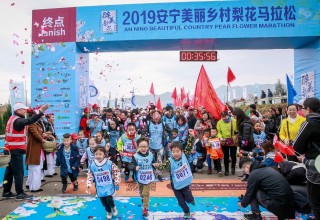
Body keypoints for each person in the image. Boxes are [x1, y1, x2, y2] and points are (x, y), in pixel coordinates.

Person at [2, 103, 49, 200]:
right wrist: (40, 112)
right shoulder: (18, 121)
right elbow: (29, 120)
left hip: (9, 149)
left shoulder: (11, 119)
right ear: (18, 110)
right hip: (15, 151)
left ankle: (6, 191)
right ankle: (20, 193)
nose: (25, 111)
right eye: (23, 109)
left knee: (9, 172)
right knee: (18, 173)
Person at [293, 97, 320, 219]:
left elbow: (297, 146)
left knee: (315, 199)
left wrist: (303, 158)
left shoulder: (308, 123)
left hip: (316, 166)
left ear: (308, 109)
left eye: (302, 108)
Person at [159, 142, 195, 219]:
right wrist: (158, 166)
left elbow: (189, 146)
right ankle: (186, 211)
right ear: (171, 152)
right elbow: (163, 167)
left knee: (189, 198)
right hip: (176, 185)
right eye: (173, 152)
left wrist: (191, 137)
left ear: (181, 152)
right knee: (181, 202)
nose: (175, 154)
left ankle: (191, 199)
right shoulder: (169, 161)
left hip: (185, 183)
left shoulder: (184, 155)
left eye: (177, 151)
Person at [87, 146, 120, 220]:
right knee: (103, 201)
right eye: (96, 154)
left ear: (104, 154)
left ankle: (113, 207)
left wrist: (117, 180)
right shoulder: (92, 165)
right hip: (100, 187)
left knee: (108, 198)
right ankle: (108, 211)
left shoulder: (109, 163)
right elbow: (90, 174)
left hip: (109, 185)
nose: (98, 156)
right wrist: (89, 183)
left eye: (100, 154)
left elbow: (116, 171)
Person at [128, 137, 158, 217]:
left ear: (148, 147)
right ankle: (143, 200)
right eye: (141, 147)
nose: (143, 148)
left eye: (145, 146)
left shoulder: (151, 155)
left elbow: (154, 163)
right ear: (138, 147)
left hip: (148, 178)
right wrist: (135, 167)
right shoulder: (135, 156)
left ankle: (145, 208)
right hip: (140, 178)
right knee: (141, 193)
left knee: (146, 193)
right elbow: (130, 165)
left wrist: (155, 165)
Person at [25, 109, 49, 192]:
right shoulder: (31, 124)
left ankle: (33, 186)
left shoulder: (36, 124)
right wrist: (42, 139)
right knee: (35, 169)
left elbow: (39, 134)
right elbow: (36, 135)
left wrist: (44, 135)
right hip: (34, 149)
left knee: (37, 169)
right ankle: (34, 187)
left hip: (38, 149)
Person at [217, 111, 238, 176]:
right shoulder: (219, 122)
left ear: (227, 115)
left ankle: (233, 168)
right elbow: (219, 131)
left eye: (225, 117)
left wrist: (235, 136)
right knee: (225, 156)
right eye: (222, 117)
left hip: (232, 140)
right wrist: (220, 137)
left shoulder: (234, 121)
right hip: (224, 141)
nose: (224, 119)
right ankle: (226, 170)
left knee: (233, 155)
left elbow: (236, 130)